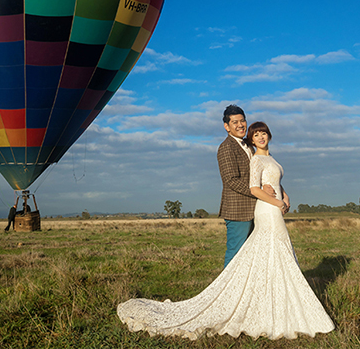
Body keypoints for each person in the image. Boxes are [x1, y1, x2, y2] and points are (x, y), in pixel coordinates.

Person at [117, 121, 335, 340]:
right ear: (250, 138)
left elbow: (275, 182)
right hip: (267, 210)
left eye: (263, 133)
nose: (261, 137)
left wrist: (285, 196)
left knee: (274, 252)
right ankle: (237, 296)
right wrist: (277, 202)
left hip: (274, 208)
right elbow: (253, 188)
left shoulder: (270, 158)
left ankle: (270, 299)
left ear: (269, 135)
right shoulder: (256, 159)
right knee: (269, 248)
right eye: (256, 135)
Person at [216, 104, 269, 266]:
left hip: (256, 209)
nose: (240, 125)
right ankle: (227, 283)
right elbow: (231, 180)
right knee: (236, 252)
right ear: (227, 126)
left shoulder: (250, 145)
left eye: (242, 121)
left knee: (253, 253)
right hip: (238, 211)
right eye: (235, 122)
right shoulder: (226, 148)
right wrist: (259, 192)